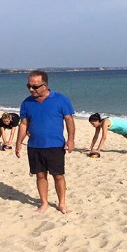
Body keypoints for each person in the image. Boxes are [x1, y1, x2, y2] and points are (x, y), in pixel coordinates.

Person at [15, 70, 75, 214]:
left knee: (58, 175)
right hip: (35, 146)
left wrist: (71, 139)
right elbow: (23, 124)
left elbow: (69, 120)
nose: (31, 89)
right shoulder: (26, 102)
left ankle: (62, 203)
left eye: (35, 86)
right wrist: (18, 143)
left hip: (55, 145)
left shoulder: (61, 99)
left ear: (45, 85)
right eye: (28, 86)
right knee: (40, 175)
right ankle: (44, 202)